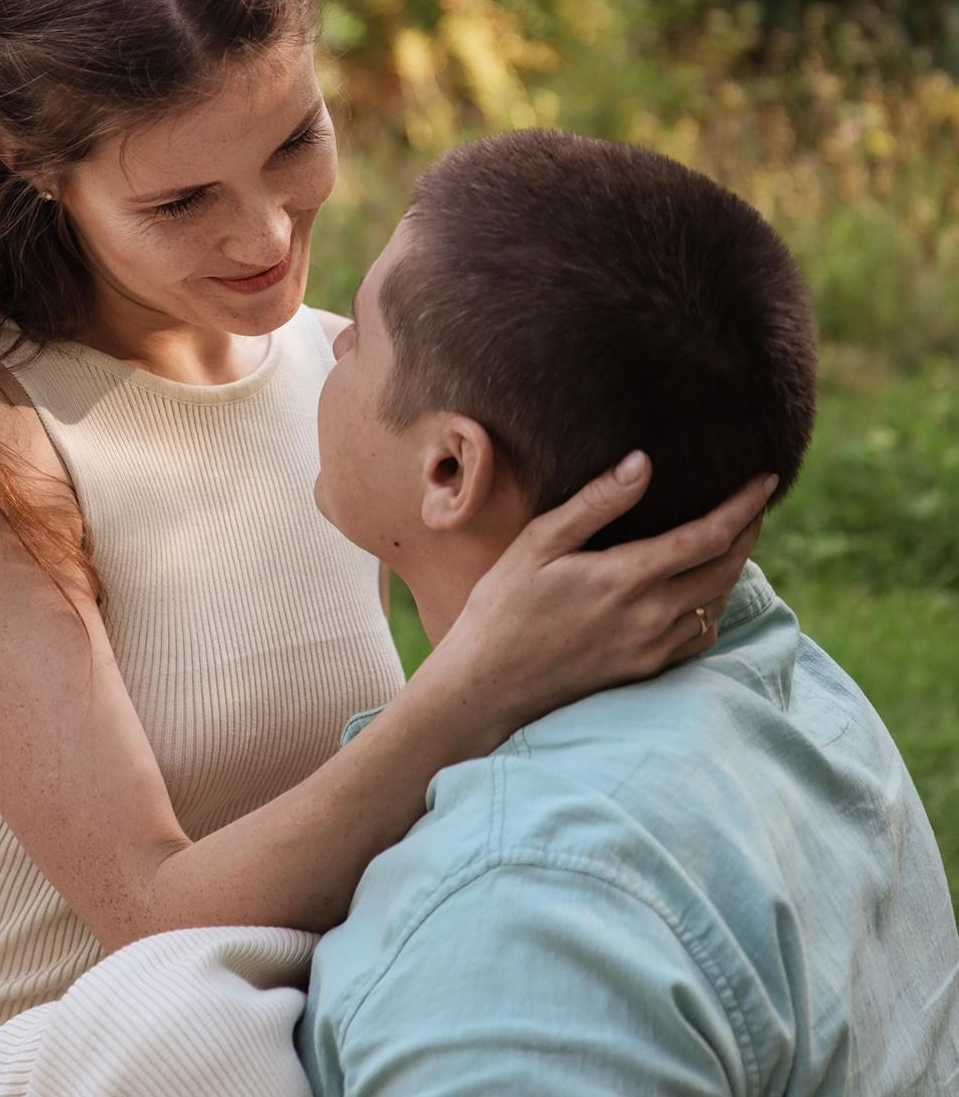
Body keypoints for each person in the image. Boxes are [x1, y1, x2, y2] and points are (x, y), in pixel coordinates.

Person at [0, 0, 767, 1097]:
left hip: (274, 1055)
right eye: (179, 201)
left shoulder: (344, 378)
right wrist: (472, 685)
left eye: (293, 138)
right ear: (35, 170)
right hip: (23, 1065)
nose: (262, 235)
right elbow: (151, 913)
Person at [300, 129, 959, 1095]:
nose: (332, 340)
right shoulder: (787, 690)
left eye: (361, 328)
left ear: (450, 468)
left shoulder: (519, 927)